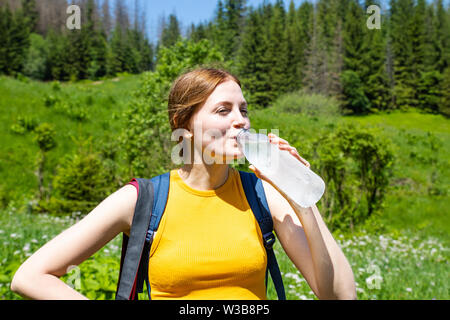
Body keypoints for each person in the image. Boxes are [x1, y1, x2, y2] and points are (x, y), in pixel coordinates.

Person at [11, 68, 356, 300]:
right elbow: (29, 276)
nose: (241, 121)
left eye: (244, 110)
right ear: (184, 124)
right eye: (223, 110)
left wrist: (301, 194)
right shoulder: (144, 199)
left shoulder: (262, 192)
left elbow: (337, 294)